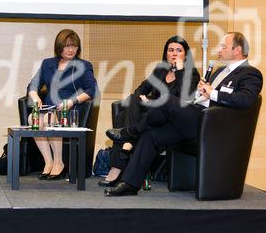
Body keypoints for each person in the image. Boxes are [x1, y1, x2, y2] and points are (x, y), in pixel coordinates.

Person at [104, 32, 263, 196]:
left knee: (166, 100)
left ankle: (130, 132)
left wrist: (211, 93)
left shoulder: (250, 73)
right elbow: (201, 98)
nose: (219, 49)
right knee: (151, 136)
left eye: (223, 46)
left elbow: (245, 99)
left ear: (237, 50)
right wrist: (200, 93)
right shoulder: (220, 71)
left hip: (214, 127)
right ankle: (130, 184)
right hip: (196, 118)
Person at [100, 36, 200, 186]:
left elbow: (182, 100)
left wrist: (179, 71)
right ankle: (128, 144)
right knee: (132, 100)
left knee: (126, 119)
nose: (174, 54)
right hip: (151, 115)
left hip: (170, 120)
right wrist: (145, 101)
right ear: (165, 53)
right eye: (170, 50)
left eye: (179, 50)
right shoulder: (160, 71)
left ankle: (118, 164)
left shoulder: (191, 74)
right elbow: (140, 90)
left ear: (186, 55)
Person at [26, 29, 98, 180]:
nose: (71, 49)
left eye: (74, 46)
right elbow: (32, 85)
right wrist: (35, 98)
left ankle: (59, 162)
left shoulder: (84, 65)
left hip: (70, 110)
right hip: (50, 107)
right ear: (59, 47)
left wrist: (72, 101)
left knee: (48, 120)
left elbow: (92, 90)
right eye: (67, 46)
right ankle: (48, 162)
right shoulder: (47, 64)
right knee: (33, 120)